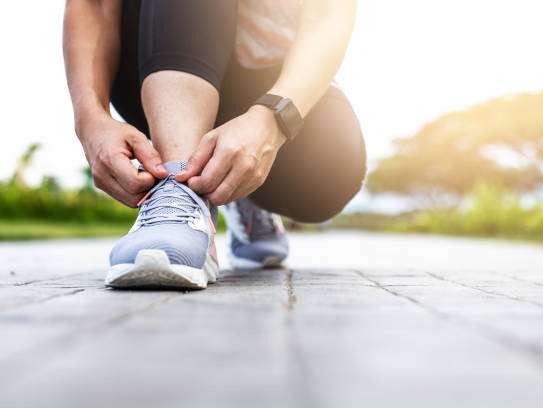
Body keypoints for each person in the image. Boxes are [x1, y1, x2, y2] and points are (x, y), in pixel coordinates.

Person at [63, 0, 366, 289]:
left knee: (331, 171)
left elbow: (329, 14)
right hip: (153, 50)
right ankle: (178, 193)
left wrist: (273, 119)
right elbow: (94, 5)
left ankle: (239, 192)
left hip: (271, 74)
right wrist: (90, 119)